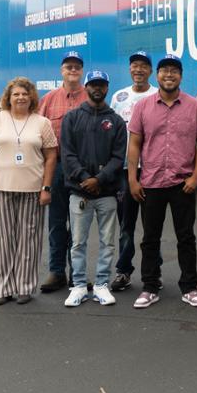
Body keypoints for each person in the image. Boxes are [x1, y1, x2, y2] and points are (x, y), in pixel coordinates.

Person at [128, 54, 197, 309]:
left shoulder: (193, 106)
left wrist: (196, 176)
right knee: (150, 238)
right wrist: (133, 178)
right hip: (151, 182)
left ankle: (190, 287)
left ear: (181, 76)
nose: (169, 75)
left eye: (174, 71)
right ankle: (150, 287)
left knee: (186, 237)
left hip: (182, 183)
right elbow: (134, 144)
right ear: (157, 75)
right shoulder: (142, 106)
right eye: (164, 71)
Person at [0, 77, 58, 305]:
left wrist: (46, 188)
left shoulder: (42, 123)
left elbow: (51, 157)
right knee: (2, 240)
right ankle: (3, 289)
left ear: (32, 97)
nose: (21, 97)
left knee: (28, 239)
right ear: (8, 98)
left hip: (32, 190)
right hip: (0, 188)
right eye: (16, 94)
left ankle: (24, 287)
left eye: (25, 93)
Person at [60, 70, 127, 307]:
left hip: (106, 192)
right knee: (78, 242)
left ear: (107, 88)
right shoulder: (72, 118)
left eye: (101, 85)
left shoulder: (116, 121)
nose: (97, 88)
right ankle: (78, 285)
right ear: (86, 87)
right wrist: (85, 178)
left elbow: (119, 158)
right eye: (93, 84)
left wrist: (99, 179)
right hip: (79, 192)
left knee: (108, 242)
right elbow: (67, 155)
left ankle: (101, 285)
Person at [37, 51, 87, 293]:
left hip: (83, 170)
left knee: (81, 224)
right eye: (69, 66)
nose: (73, 70)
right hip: (56, 168)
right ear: (61, 70)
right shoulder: (47, 100)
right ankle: (56, 272)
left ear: (82, 70)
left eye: (77, 66)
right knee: (57, 222)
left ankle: (78, 274)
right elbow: (36, 136)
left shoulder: (92, 98)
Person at [109, 50, 158, 292]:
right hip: (125, 171)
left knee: (152, 226)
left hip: (152, 170)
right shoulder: (119, 97)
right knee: (126, 225)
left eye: (143, 66)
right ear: (130, 69)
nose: (138, 70)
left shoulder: (158, 96)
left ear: (151, 71)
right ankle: (123, 271)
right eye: (134, 66)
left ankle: (154, 272)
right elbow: (112, 135)